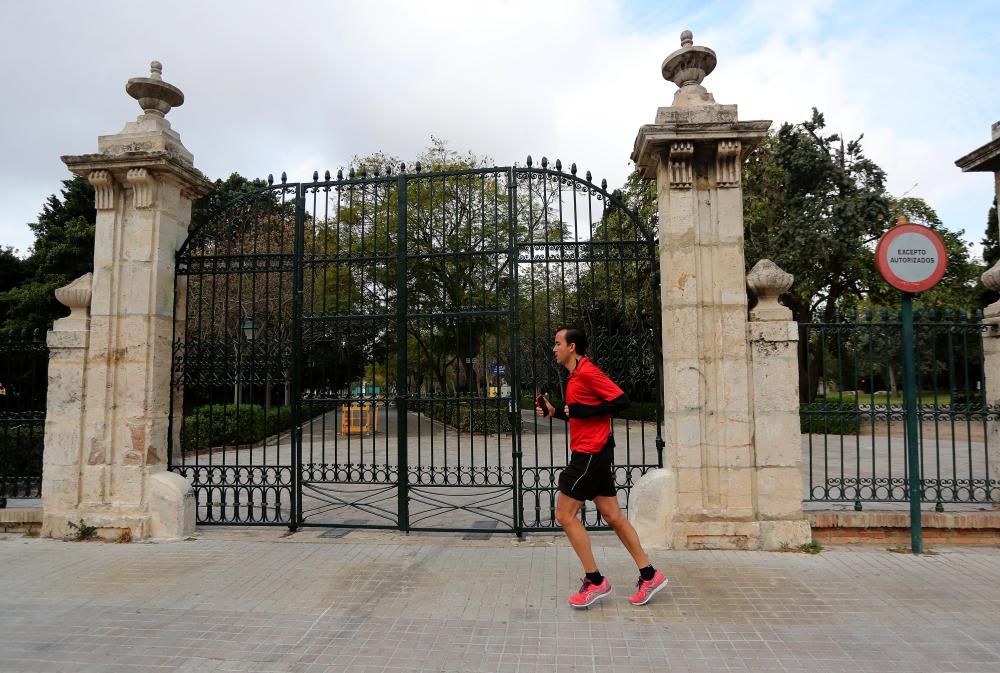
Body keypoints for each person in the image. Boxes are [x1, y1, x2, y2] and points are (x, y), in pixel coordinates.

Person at [536, 326, 667, 608]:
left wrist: (585, 410)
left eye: (557, 343)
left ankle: (595, 581)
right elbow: (582, 415)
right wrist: (555, 412)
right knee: (612, 515)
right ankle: (649, 575)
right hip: (595, 452)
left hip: (590, 455)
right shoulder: (575, 376)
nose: (554, 348)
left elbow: (621, 401)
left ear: (572, 347)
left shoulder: (587, 372)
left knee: (565, 515)